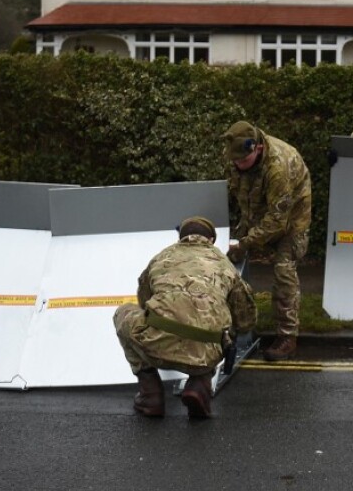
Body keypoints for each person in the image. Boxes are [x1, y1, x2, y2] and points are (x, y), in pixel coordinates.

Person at [113, 216, 257, 419]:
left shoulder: (161, 258)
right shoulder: (225, 266)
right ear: (212, 240)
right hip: (205, 353)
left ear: (181, 237)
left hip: (156, 345)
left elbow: (144, 302)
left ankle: (150, 395)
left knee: (123, 313)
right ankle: (199, 385)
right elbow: (246, 320)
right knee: (224, 328)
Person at [222, 120, 312, 362]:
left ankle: (287, 337)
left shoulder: (279, 166)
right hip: (256, 211)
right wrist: (239, 237)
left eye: (242, 161)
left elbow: (277, 221)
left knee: (284, 271)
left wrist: (245, 244)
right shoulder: (236, 150)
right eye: (235, 161)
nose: (238, 165)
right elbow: (238, 190)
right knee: (224, 263)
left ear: (257, 148)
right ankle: (230, 328)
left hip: (290, 220)